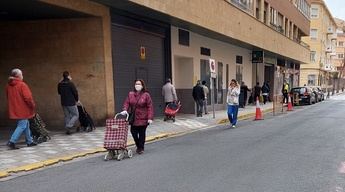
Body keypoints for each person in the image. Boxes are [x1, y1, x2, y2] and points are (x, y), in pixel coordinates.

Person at [6, 68, 37, 150]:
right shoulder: (22, 85)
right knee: (22, 125)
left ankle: (29, 141)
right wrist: (32, 105)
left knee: (26, 124)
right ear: (18, 76)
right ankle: (12, 141)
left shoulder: (8, 86)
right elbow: (28, 98)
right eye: (22, 74)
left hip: (14, 108)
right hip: (23, 109)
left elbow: (8, 97)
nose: (23, 76)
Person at [121, 79, 153, 154]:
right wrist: (125, 109)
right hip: (134, 118)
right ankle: (138, 145)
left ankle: (141, 148)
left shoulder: (146, 95)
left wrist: (150, 118)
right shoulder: (130, 94)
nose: (137, 85)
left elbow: (150, 107)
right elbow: (126, 102)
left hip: (143, 118)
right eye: (136, 84)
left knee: (142, 133)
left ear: (142, 86)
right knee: (133, 132)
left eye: (139, 84)